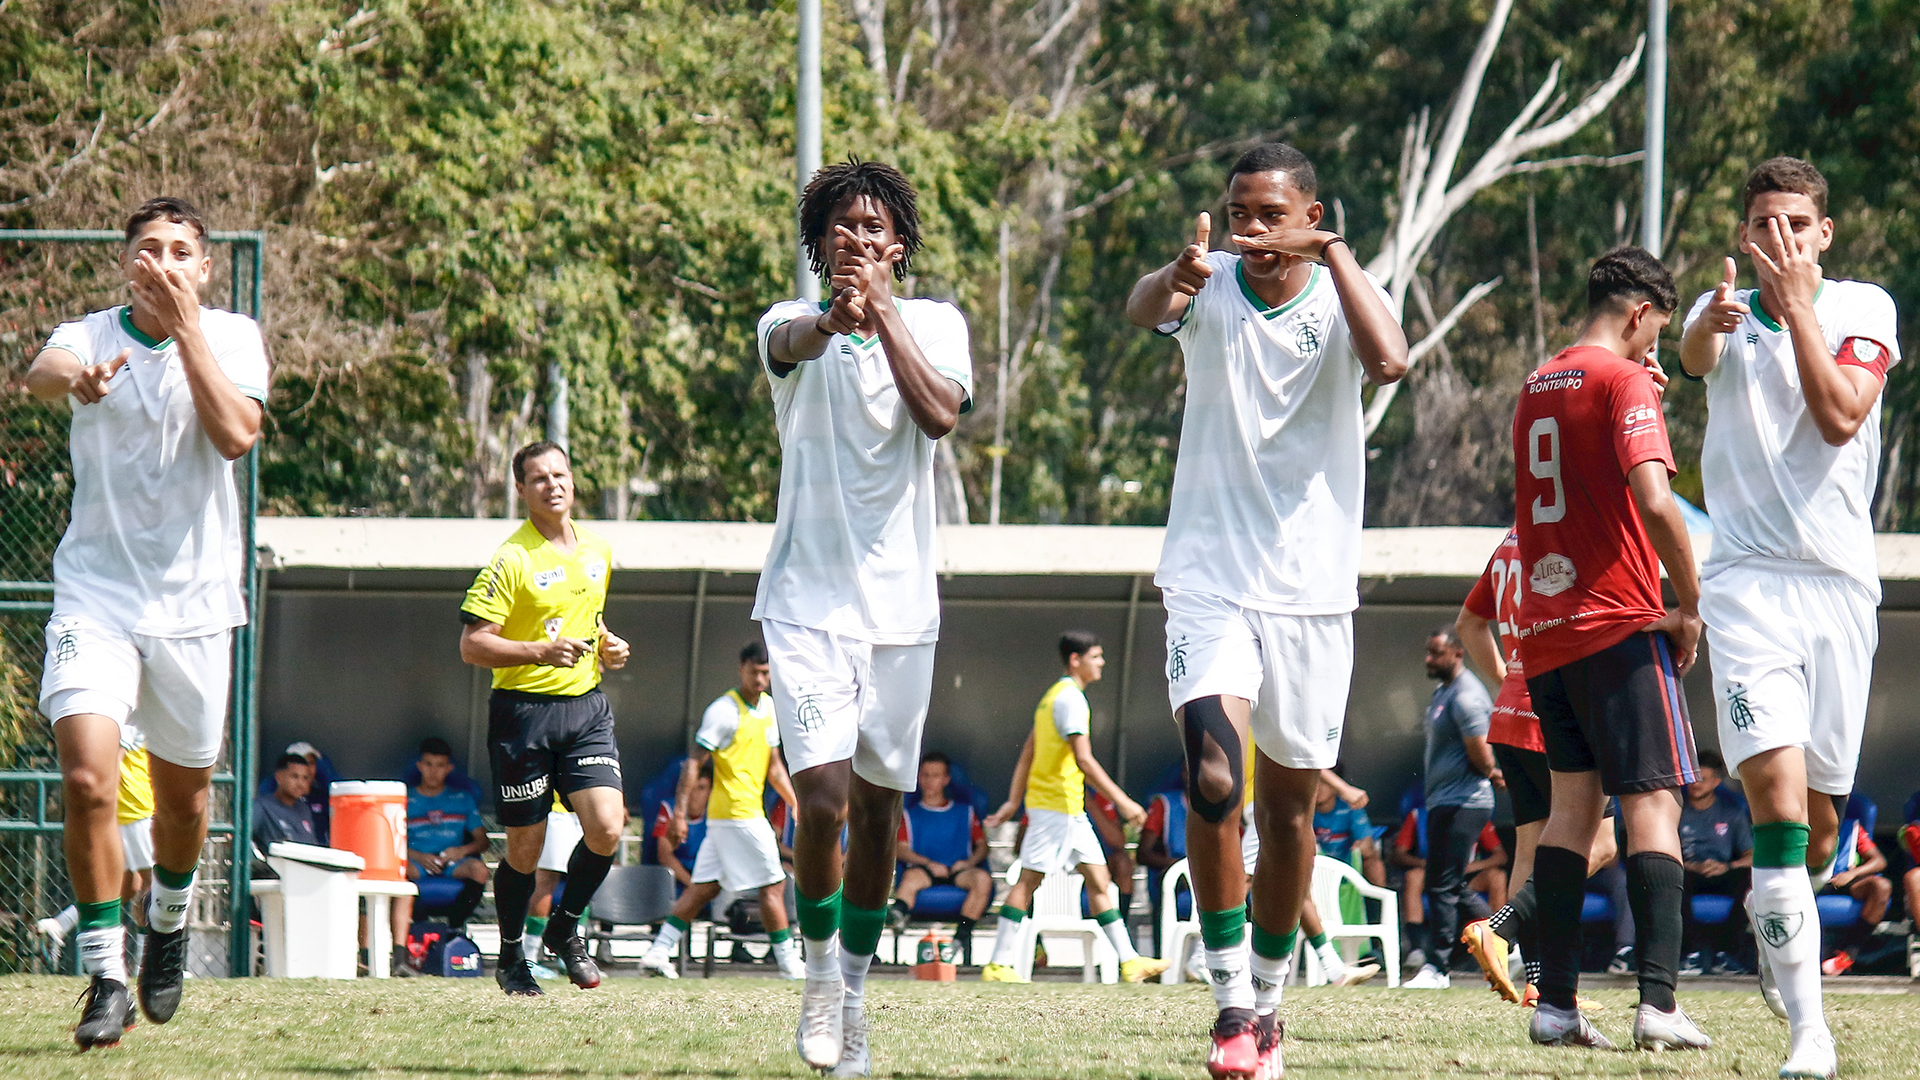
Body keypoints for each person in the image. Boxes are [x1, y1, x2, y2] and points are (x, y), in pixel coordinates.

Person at [1125, 141, 1407, 1079]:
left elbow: (1393, 359)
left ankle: (1273, 1005)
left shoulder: (1338, 291)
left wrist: (1336, 257)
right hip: (1209, 579)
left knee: (1289, 817)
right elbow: (1142, 311)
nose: (1250, 230)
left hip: (1313, 593)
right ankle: (1229, 1006)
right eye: (1239, 212)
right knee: (1213, 778)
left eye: (1269, 215)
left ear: (1310, 215)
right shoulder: (1206, 290)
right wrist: (1177, 272)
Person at [26, 196, 269, 1048]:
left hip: (196, 606)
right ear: (125, 263)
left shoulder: (232, 338)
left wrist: (187, 331)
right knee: (89, 777)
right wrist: (77, 379)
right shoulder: (89, 334)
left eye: (180, 250)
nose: (162, 261)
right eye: (147, 249)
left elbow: (237, 434)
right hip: (94, 597)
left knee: (186, 802)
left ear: (203, 267)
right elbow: (41, 372)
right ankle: (104, 974)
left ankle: (167, 923)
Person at [1678, 156, 1900, 1080]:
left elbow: (1842, 413)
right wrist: (1710, 324)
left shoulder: (1865, 307)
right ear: (1743, 234)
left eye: (1796, 225)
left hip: (1840, 587)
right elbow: (1691, 355)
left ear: (1824, 235)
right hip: (1745, 586)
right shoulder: (1721, 310)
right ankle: (1812, 1033)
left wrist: (1800, 305)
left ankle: (1786, 936)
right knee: (1771, 811)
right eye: (1765, 224)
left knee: (1814, 831)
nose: (1780, 240)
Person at [754, 156, 972, 1077]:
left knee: (881, 812)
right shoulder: (784, 322)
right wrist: (835, 319)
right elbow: (796, 340)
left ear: (902, 246)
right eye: (842, 230)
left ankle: (852, 990)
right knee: (827, 796)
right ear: (819, 246)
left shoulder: (934, 323)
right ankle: (815, 978)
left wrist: (881, 317)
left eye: (875, 229)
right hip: (805, 603)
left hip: (900, 610)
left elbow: (939, 417)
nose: (859, 242)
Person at [1512, 246, 1709, 1053]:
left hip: (1547, 634)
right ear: (1639, 313)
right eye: (1653, 334)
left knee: (1570, 814)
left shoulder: (1536, 383)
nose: (1651, 352)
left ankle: (1555, 1005)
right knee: (1654, 807)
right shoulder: (1623, 379)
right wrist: (1688, 601)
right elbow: (1654, 499)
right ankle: (1658, 1003)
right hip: (1621, 624)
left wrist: (1635, 390)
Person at [459, 440, 632, 996]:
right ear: (522, 490)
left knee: (607, 827)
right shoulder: (513, 558)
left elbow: (590, 621)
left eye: (560, 474)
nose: (552, 484)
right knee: (525, 851)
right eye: (538, 478)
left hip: (585, 709)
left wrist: (610, 646)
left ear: (574, 480)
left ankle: (563, 928)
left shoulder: (598, 550)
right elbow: (472, 645)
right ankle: (511, 958)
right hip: (523, 717)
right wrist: (537, 651)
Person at [1457, 526, 1623, 1007]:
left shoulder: (1511, 540)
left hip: (1510, 712)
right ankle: (1498, 928)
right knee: (1600, 843)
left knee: (1530, 850)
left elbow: (1469, 623)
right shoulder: (1562, 535)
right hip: (1555, 714)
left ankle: (1538, 982)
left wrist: (1508, 678)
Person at [982, 632, 1166, 984]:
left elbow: (1028, 754)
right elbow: (1084, 759)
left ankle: (1130, 962)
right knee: (1029, 880)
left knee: (1100, 880)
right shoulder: (1070, 700)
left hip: (1066, 808)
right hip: (1056, 807)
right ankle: (998, 963)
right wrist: (1124, 802)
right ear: (1075, 660)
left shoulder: (1052, 698)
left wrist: (1012, 801)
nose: (1102, 663)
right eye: (1096, 657)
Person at [640, 641, 804, 980]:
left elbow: (774, 765)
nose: (760, 678)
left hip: (734, 818)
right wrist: (681, 813)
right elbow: (693, 764)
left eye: (766, 672)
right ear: (741, 669)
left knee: (705, 888)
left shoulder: (770, 708)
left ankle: (657, 953)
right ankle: (789, 965)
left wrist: (794, 802)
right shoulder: (723, 711)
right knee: (773, 885)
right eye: (754, 671)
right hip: (738, 816)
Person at [1405, 629, 1500, 989]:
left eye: (1437, 653)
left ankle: (1438, 967)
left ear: (1458, 653)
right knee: (1446, 883)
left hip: (1465, 802)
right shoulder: (1443, 693)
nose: (1429, 660)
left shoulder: (1467, 697)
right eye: (1429, 653)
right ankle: (1508, 942)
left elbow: (1481, 753)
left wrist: (1493, 773)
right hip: (1444, 801)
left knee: (1442, 885)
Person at [37, 725, 158, 972]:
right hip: (136, 812)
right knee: (155, 884)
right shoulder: (127, 717)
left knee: (126, 886)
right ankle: (150, 965)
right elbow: (113, 760)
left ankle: (59, 925)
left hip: (128, 812)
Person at [387, 739, 490, 974]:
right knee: (402, 877)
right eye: (429, 764)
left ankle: (454, 928)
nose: (434, 771)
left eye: (440, 765)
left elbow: (483, 840)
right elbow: (391, 841)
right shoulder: (405, 798)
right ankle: (401, 955)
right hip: (416, 861)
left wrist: (459, 851)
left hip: (452, 862)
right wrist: (417, 855)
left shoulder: (462, 798)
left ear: (449, 768)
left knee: (480, 871)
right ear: (420, 766)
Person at [890, 752, 992, 960]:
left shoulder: (966, 812)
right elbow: (901, 849)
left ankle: (960, 937)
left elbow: (982, 846)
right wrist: (928, 863)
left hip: (958, 871)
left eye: (936, 775)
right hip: (924, 871)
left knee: (982, 880)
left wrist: (968, 862)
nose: (930, 781)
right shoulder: (908, 814)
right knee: (911, 879)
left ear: (946, 779)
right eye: (925, 775)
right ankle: (897, 916)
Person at [1676, 752, 1753, 976]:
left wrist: (1727, 866)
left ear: (1716, 782)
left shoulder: (1731, 813)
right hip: (1688, 870)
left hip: (1722, 871)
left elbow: (1752, 854)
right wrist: (1691, 866)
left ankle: (1727, 955)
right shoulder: (1676, 811)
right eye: (1692, 778)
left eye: (1703, 778)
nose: (1695, 784)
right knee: (1674, 878)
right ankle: (1691, 955)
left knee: (1750, 877)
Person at [1817, 808, 1891, 977]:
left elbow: (1879, 861)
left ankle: (1847, 954)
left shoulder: (1852, 828)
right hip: (1809, 880)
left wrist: (1851, 874)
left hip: (1844, 881)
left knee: (1882, 887)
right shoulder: (1804, 822)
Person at [525, 791, 579, 976]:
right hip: (557, 812)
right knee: (546, 881)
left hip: (585, 811)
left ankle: (574, 956)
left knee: (583, 878)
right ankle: (529, 958)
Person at [653, 764, 712, 886]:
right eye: (690, 788)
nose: (694, 794)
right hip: (677, 882)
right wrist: (693, 887)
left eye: (701, 788)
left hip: (709, 881)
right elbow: (665, 856)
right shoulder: (669, 809)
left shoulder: (716, 813)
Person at [252, 752, 321, 852]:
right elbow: (240, 839)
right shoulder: (261, 806)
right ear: (279, 777)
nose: (300, 783)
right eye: (295, 776)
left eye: (305, 778)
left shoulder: (304, 809)